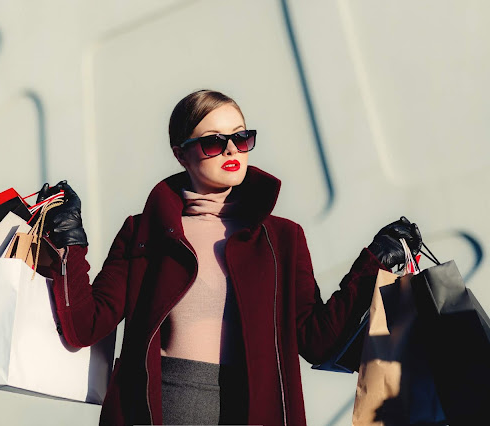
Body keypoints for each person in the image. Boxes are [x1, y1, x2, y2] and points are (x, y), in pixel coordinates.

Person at [36, 90, 422, 426]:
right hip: (162, 410)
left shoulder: (282, 238)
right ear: (180, 154)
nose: (233, 150)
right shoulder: (144, 232)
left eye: (241, 137)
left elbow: (316, 341)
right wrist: (70, 240)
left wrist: (374, 262)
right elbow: (85, 325)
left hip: (255, 410)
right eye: (213, 142)